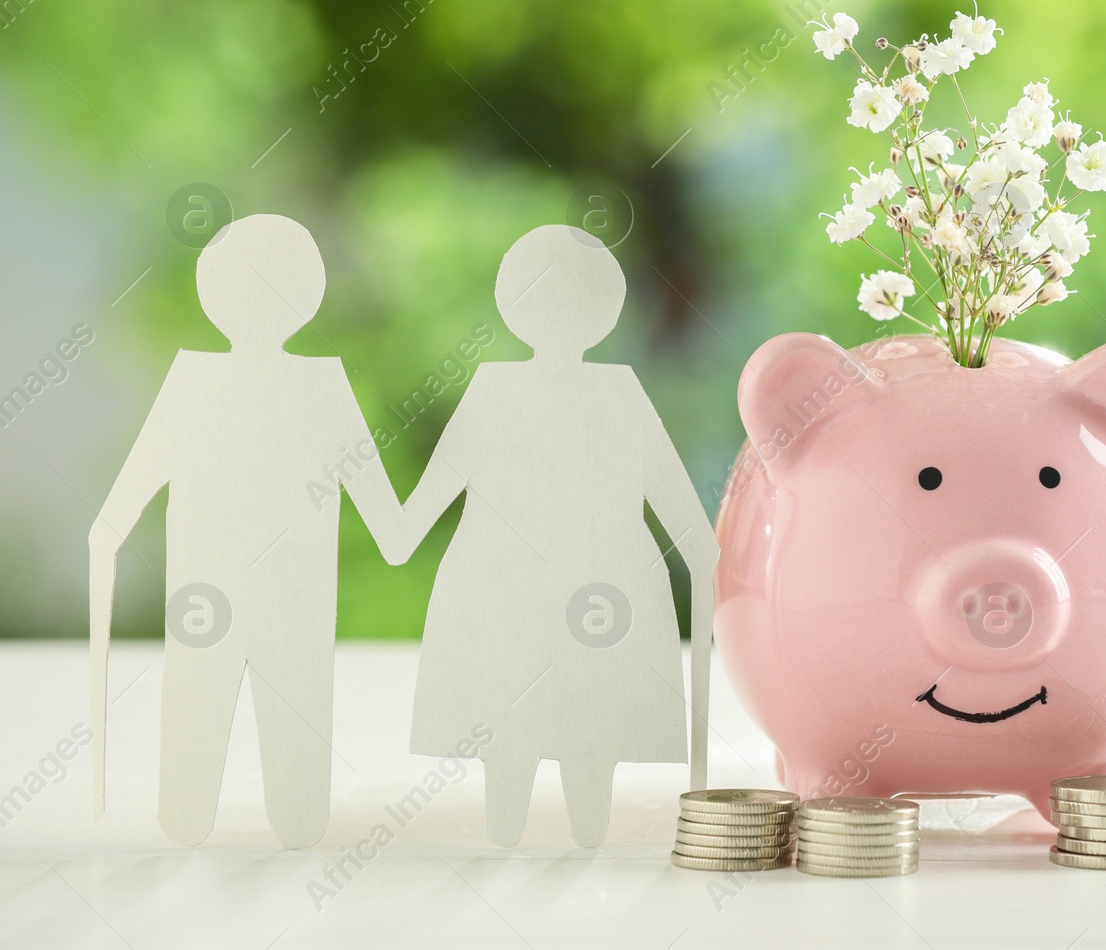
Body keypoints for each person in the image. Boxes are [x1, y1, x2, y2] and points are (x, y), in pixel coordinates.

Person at [90, 214, 409, 847]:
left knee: (203, 794)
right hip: (291, 608)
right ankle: (255, 826)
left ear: (213, 293)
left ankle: (210, 823)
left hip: (212, 605)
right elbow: (392, 531)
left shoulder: (195, 383)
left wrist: (104, 542)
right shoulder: (320, 386)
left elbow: (114, 516)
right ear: (308, 295)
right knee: (291, 813)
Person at [393, 224, 716, 848]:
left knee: (527, 741)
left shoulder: (496, 391)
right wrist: (704, 557)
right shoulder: (617, 392)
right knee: (579, 739)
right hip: (594, 601)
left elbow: (419, 513)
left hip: (518, 598)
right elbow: (687, 525)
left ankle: (531, 846)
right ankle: (576, 846)